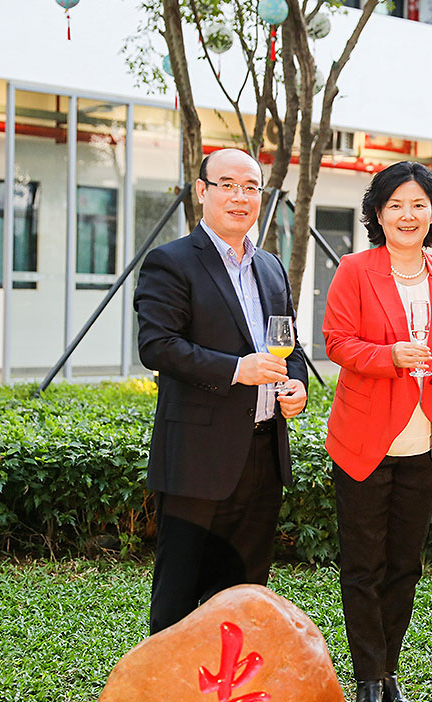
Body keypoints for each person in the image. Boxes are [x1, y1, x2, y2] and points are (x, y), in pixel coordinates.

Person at [134, 148, 309, 634]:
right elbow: (157, 346)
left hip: (263, 455)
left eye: (250, 187)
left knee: (245, 594)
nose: (240, 197)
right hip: (196, 458)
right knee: (180, 596)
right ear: (202, 191)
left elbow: (286, 347)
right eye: (227, 185)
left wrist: (295, 386)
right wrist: (236, 369)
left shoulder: (271, 267)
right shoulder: (170, 263)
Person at [322, 161, 432, 702]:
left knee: (405, 565)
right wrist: (390, 355)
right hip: (363, 440)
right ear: (378, 214)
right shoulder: (355, 270)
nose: (408, 215)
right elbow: (337, 342)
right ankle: (367, 677)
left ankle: (389, 670)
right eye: (395, 206)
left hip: (423, 442)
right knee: (364, 565)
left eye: (419, 204)